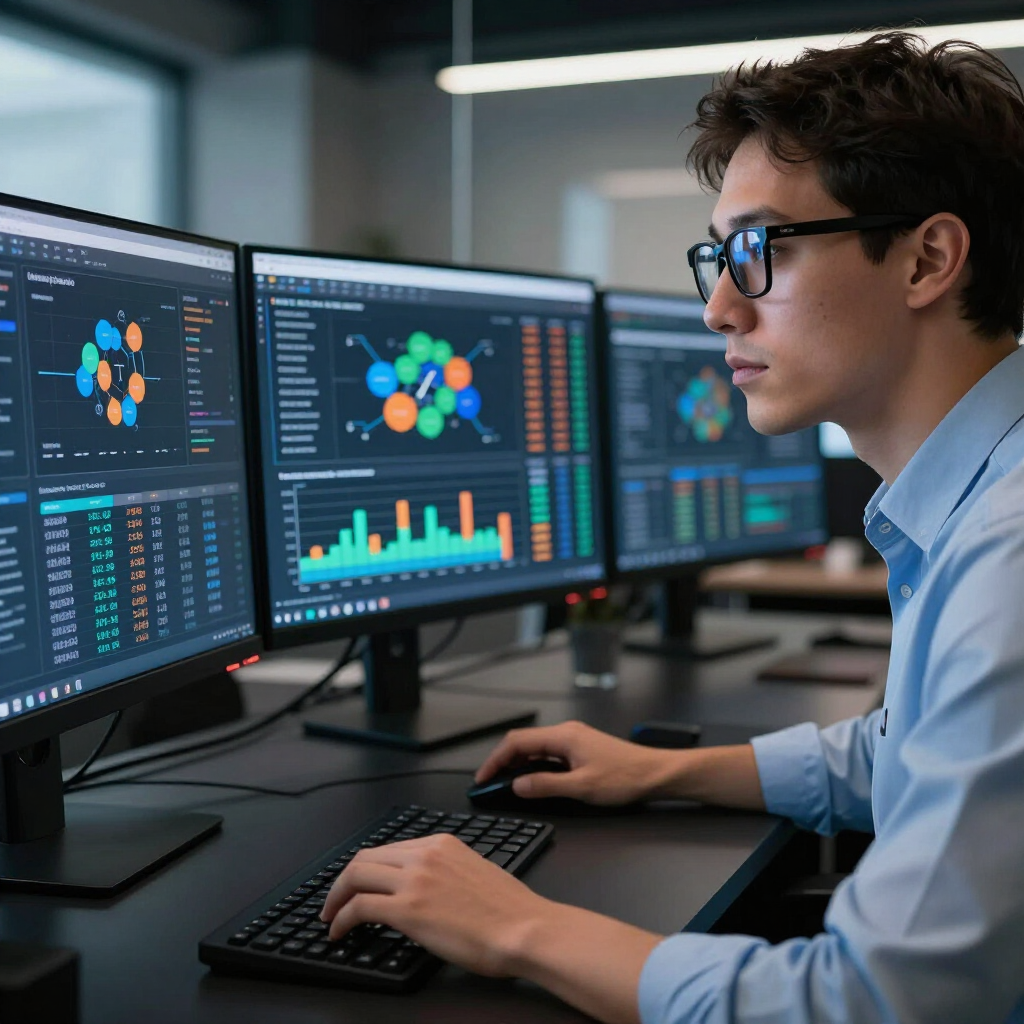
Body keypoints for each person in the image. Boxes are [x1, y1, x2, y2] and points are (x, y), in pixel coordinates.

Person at [321, 31, 1024, 1023]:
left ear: (927, 259)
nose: (719, 310)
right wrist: (666, 769)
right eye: (717, 257)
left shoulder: (1007, 555)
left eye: (757, 251)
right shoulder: (980, 507)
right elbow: (912, 753)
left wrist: (520, 927)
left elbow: (873, 1002)